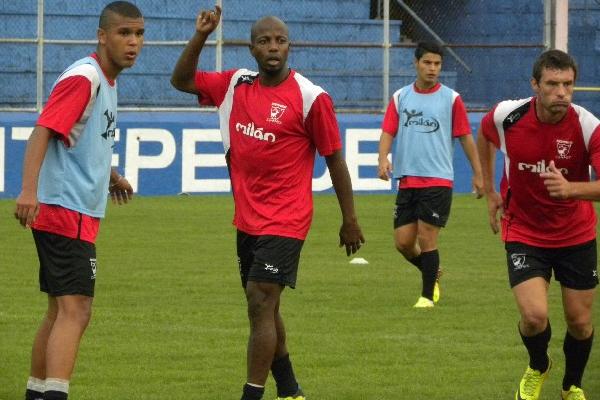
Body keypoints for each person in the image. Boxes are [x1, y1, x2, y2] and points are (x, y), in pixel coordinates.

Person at [171, 6, 365, 400]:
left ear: (289, 46)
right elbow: (182, 80)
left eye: (280, 40)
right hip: (247, 218)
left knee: (261, 300)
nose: (273, 47)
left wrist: (350, 219)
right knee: (264, 307)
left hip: (287, 219)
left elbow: (335, 159)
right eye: (264, 41)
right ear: (252, 49)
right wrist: (202, 35)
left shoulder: (312, 98)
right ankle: (290, 388)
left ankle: (252, 393)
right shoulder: (235, 84)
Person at [13, 2, 144, 399]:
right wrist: (29, 191)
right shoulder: (86, 77)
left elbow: (81, 139)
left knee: (59, 310)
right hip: (63, 209)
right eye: (124, 33)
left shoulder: (106, 79)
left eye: (139, 34)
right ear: (102, 36)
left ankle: (38, 394)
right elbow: (43, 132)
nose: (133, 42)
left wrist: (113, 175)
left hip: (75, 210)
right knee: (77, 309)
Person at [477, 49, 598, 400]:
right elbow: (485, 135)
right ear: (535, 85)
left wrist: (571, 189)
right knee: (534, 316)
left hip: (576, 234)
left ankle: (571, 385)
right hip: (524, 230)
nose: (562, 92)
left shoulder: (588, 126)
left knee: (578, 322)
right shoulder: (508, 116)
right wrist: (490, 190)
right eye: (553, 84)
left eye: (568, 85)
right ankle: (538, 365)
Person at [377, 41, 483, 308]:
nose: (432, 68)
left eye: (437, 64)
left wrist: (478, 173)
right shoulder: (401, 97)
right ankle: (431, 270)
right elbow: (389, 131)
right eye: (427, 63)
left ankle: (426, 297)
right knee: (403, 243)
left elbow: (465, 138)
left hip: (437, 179)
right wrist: (382, 158)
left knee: (427, 237)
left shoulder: (451, 99)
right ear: (416, 63)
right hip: (407, 179)